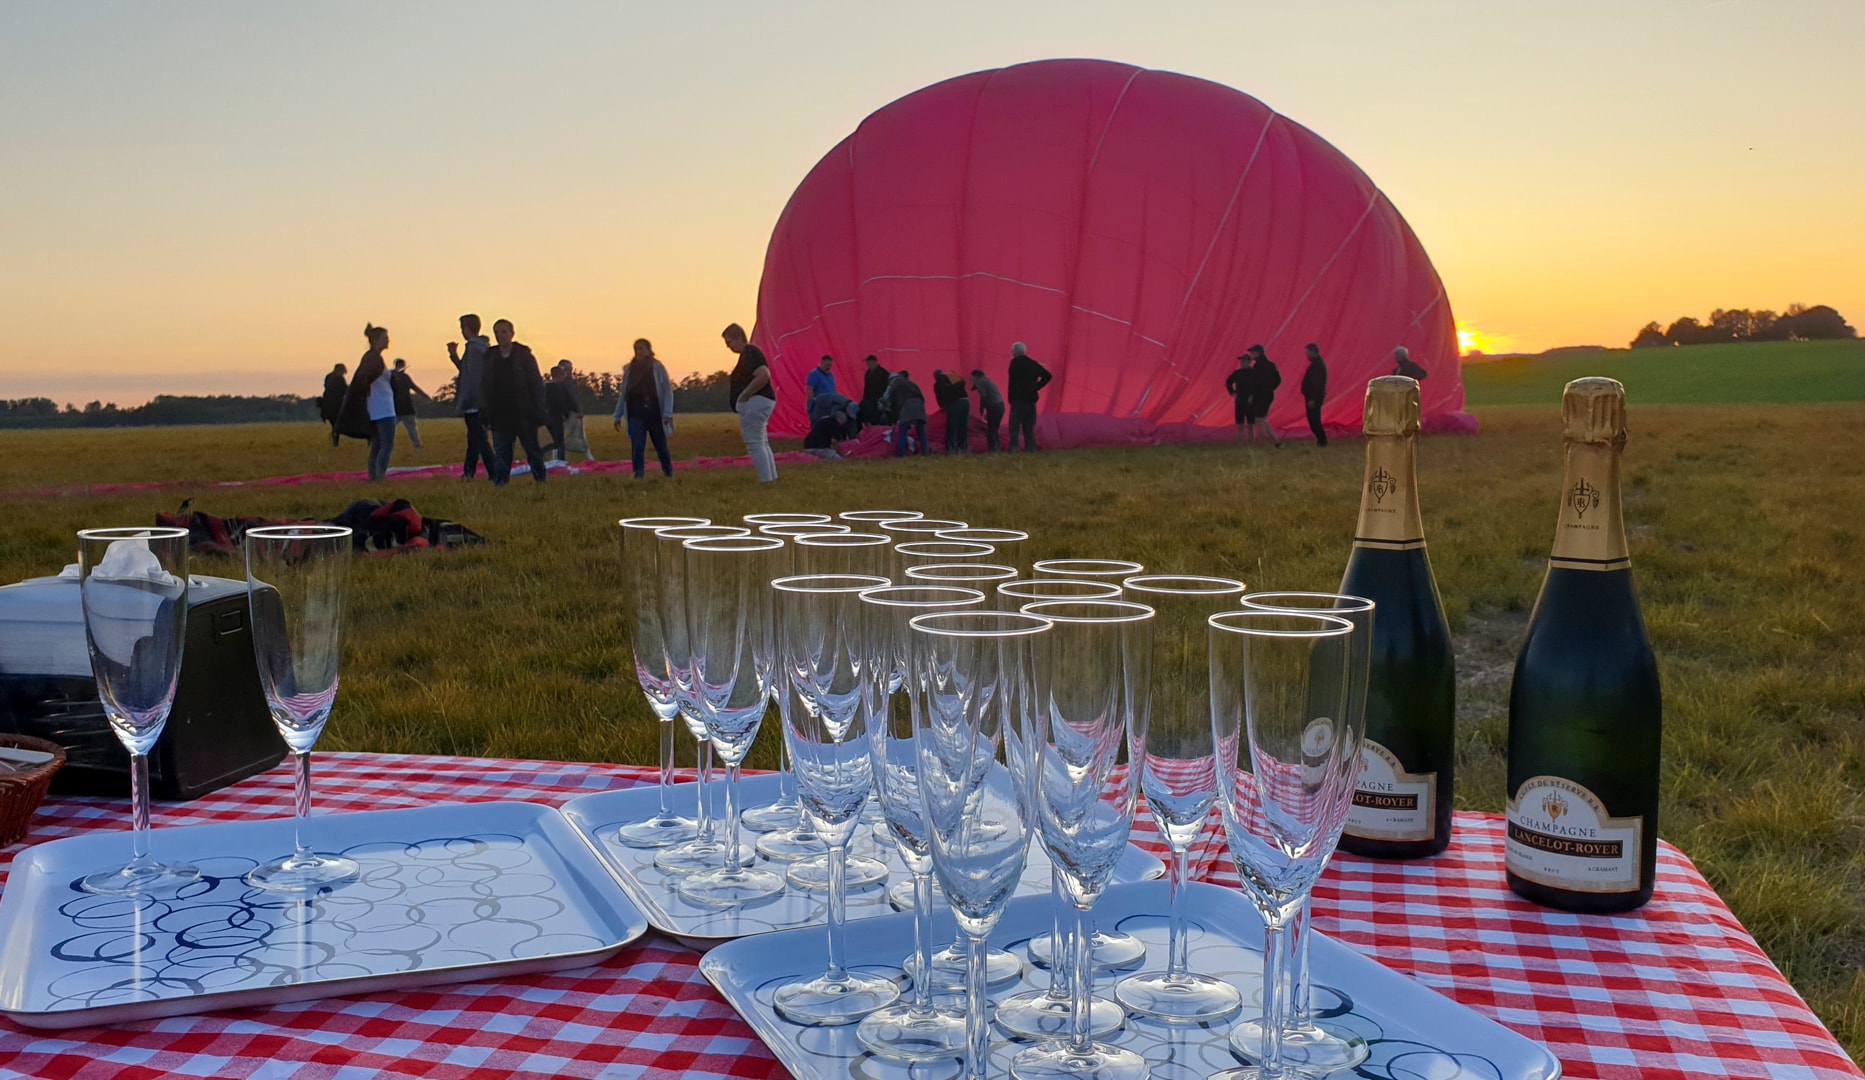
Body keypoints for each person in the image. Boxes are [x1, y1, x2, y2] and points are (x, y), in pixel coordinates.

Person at [480, 318, 548, 485]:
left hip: (524, 413)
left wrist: (538, 411)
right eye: (497, 332)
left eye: (504, 332)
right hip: (499, 415)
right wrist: (485, 413)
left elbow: (536, 384)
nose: (500, 336)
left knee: (532, 450)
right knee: (502, 452)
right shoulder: (490, 357)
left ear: (512, 334)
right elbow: (484, 386)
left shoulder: (524, 356)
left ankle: (541, 480)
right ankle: (500, 484)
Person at [337, 325, 393, 480]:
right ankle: (378, 477)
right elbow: (362, 379)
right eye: (384, 338)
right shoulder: (372, 358)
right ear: (375, 340)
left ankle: (374, 477)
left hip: (379, 408)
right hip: (383, 409)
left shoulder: (373, 358)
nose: (388, 341)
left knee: (377, 445)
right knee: (385, 446)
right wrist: (366, 392)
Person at [724, 323, 777, 483]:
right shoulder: (750, 353)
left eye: (729, 342)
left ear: (739, 338)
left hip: (755, 401)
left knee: (754, 443)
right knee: (762, 442)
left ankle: (765, 480)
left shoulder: (749, 352)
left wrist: (745, 394)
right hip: (762, 401)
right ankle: (771, 477)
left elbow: (763, 375)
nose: (728, 347)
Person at [613, 338, 674, 478]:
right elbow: (624, 393)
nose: (639, 352)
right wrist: (617, 415)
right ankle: (638, 473)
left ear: (648, 350)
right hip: (635, 412)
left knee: (660, 446)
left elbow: (667, 390)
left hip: (655, 413)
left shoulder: (657, 367)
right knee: (637, 445)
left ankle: (667, 471)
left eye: (641, 349)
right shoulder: (629, 369)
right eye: (636, 349)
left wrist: (667, 413)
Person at [448, 314, 496, 480]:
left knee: (480, 441)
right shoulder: (482, 347)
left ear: (467, 328)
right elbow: (467, 371)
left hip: (475, 404)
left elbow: (472, 379)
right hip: (482, 401)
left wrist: (464, 403)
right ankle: (468, 473)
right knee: (474, 441)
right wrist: (454, 356)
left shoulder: (473, 349)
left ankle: (494, 473)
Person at [1005, 341, 1051, 452]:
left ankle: (1014, 449)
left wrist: (1010, 397)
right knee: (1028, 428)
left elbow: (1011, 382)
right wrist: (1036, 386)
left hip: (1018, 399)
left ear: (1014, 352)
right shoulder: (1032, 363)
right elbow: (1047, 375)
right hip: (1031, 399)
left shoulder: (1014, 363)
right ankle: (1031, 449)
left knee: (1014, 426)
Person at [555, 360, 595, 462]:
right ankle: (589, 458)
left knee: (567, 437)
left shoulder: (566, 382)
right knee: (566, 437)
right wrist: (579, 411)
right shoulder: (567, 382)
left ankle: (558, 459)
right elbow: (573, 398)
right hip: (567, 414)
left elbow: (574, 398)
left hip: (568, 414)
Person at [882, 368, 927, 457]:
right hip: (919, 406)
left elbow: (891, 403)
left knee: (903, 430)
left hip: (906, 407)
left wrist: (895, 419)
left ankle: (900, 455)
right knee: (921, 431)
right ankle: (926, 452)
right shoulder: (912, 383)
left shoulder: (893, 386)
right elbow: (922, 397)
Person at [1245, 344, 1283, 447]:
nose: (1250, 354)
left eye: (1252, 352)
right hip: (1269, 395)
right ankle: (1276, 441)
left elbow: (1255, 382)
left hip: (1260, 396)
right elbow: (1278, 380)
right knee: (1261, 419)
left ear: (1257, 353)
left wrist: (1252, 395)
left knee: (1259, 420)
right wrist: (1270, 388)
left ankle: (1262, 444)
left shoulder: (1258, 365)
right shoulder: (1271, 364)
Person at [802, 392, 856, 461]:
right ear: (841, 421)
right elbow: (834, 443)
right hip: (819, 449)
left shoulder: (823, 420)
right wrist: (842, 456)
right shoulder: (834, 424)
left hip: (807, 448)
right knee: (838, 460)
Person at [389, 358, 424, 450]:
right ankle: (417, 446)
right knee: (410, 429)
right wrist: (425, 396)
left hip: (399, 408)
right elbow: (415, 388)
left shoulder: (392, 376)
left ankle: (417, 446)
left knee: (409, 429)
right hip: (398, 408)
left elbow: (414, 387)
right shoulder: (395, 377)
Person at [543, 360, 574, 461]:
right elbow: (561, 403)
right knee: (559, 441)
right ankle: (560, 460)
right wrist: (566, 414)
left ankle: (554, 457)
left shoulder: (546, 387)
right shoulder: (558, 388)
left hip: (548, 417)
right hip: (556, 417)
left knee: (557, 440)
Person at [934, 370, 970, 453]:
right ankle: (963, 447)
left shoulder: (939, 381)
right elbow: (963, 383)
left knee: (952, 426)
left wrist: (943, 406)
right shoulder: (952, 375)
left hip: (955, 403)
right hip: (966, 401)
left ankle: (951, 448)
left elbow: (940, 395)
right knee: (963, 426)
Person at [1300, 343, 1328, 447]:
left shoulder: (1317, 366)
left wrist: (1312, 398)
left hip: (1313, 398)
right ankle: (1320, 440)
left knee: (1314, 420)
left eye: (1307, 352)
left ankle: (1322, 441)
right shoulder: (1316, 364)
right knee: (1313, 419)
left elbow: (1316, 384)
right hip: (1313, 397)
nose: (1306, 355)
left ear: (1313, 352)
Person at [970, 368, 1005, 452]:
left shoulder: (979, 381)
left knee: (991, 430)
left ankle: (993, 449)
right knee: (994, 429)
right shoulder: (987, 380)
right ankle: (996, 449)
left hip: (994, 407)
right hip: (1000, 406)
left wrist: (981, 408)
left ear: (975, 376)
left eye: (971, 378)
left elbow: (983, 395)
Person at [319, 363, 347, 447]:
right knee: (337, 424)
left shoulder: (328, 377)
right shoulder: (339, 378)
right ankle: (335, 440)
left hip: (327, 405)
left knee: (335, 424)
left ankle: (334, 439)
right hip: (336, 406)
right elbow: (344, 389)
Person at [858, 354, 890, 425]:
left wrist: (883, 400)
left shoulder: (883, 373)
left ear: (873, 362)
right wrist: (864, 398)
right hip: (869, 399)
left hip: (879, 399)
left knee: (877, 417)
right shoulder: (867, 373)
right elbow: (866, 387)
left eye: (868, 362)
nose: (867, 364)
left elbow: (888, 387)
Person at [806, 355, 838, 423]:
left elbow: (833, 390)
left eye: (830, 365)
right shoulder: (814, 374)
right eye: (826, 365)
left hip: (829, 408)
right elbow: (809, 390)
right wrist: (814, 404)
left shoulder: (830, 375)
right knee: (817, 429)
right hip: (818, 408)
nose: (828, 367)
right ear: (821, 363)